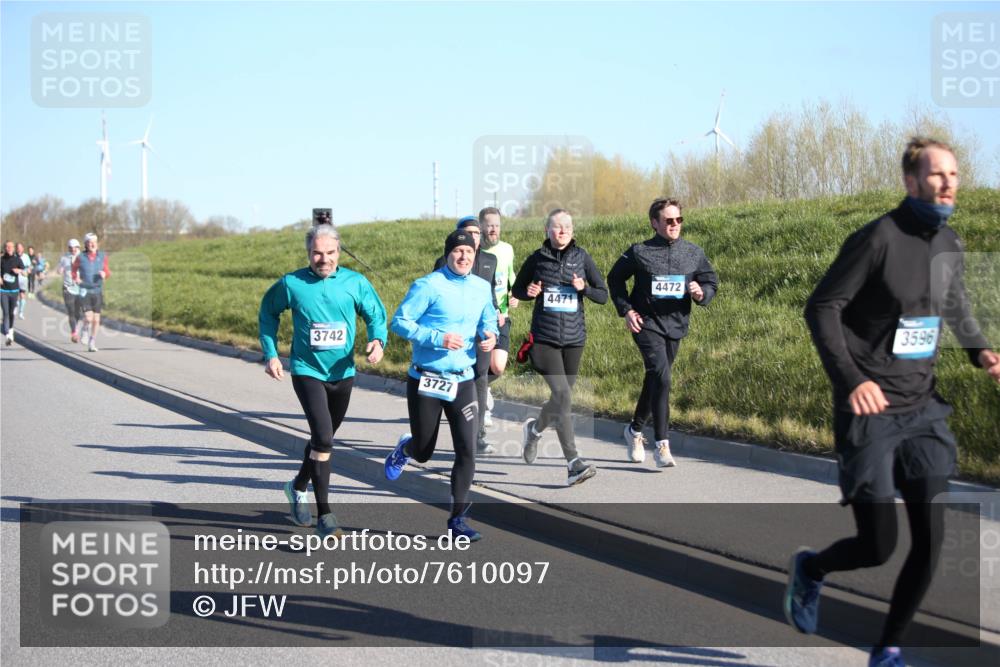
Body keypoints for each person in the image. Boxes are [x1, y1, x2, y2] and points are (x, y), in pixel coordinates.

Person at [784, 138, 1000, 667]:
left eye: (953, 173)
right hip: (870, 412)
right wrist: (851, 378)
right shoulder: (879, 238)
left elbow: (953, 304)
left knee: (931, 538)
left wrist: (982, 352)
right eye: (935, 174)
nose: (947, 182)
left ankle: (887, 651)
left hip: (922, 409)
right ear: (910, 181)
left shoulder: (948, 241)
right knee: (879, 545)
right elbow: (822, 308)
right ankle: (811, 570)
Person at [259, 223, 387, 538]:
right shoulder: (292, 283)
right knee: (324, 438)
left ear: (338, 253)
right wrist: (271, 353)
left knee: (322, 440)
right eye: (317, 253)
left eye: (329, 252)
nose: (323, 259)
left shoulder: (354, 283)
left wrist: (377, 340)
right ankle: (325, 516)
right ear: (309, 253)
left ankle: (297, 486)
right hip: (307, 370)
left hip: (342, 373)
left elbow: (375, 314)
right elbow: (268, 313)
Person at [385, 229, 498, 541]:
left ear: (475, 257)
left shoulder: (480, 286)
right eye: (458, 252)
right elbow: (400, 322)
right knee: (424, 451)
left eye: (469, 253)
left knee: (467, 449)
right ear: (448, 253)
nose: (463, 257)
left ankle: (457, 520)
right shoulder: (428, 285)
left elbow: (489, 319)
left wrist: (490, 336)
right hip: (427, 378)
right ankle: (406, 447)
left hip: (463, 380)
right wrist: (438, 338)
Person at [607, 197, 718, 468]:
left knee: (656, 379)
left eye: (679, 219)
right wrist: (626, 310)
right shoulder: (639, 251)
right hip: (646, 324)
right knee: (663, 377)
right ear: (654, 223)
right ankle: (662, 445)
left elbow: (710, 279)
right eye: (669, 220)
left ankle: (633, 431)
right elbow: (615, 278)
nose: (675, 225)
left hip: (676, 325)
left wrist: (702, 293)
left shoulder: (692, 252)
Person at [511, 209, 608, 486]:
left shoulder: (582, 258)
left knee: (561, 400)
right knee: (563, 395)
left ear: (573, 231)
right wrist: (527, 292)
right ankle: (573, 463)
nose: (562, 231)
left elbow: (602, 295)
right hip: (543, 339)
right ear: (547, 231)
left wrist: (584, 289)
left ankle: (535, 430)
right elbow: (517, 290)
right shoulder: (537, 259)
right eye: (556, 227)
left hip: (574, 340)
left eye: (566, 227)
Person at [433, 216, 500, 455]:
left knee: (480, 377)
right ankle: (433, 425)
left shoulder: (491, 261)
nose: (472, 237)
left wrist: (493, 325)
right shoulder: (444, 261)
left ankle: (478, 434)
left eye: (476, 233)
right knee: (452, 380)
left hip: (479, 333)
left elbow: (491, 297)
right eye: (467, 232)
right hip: (454, 337)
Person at [479, 207, 519, 428]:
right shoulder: (475, 251)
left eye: (497, 225)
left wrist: (515, 295)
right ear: (481, 226)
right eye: (489, 225)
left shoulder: (507, 249)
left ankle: (482, 387)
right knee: (482, 362)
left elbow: (511, 277)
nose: (494, 229)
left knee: (498, 367)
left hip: (502, 315)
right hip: (480, 318)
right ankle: (481, 406)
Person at [72, 233, 109, 352]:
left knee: (97, 319)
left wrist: (105, 274)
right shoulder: (80, 257)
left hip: (97, 290)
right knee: (88, 317)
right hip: (84, 290)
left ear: (97, 244)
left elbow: (107, 271)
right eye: (90, 242)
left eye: (94, 242)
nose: (92, 244)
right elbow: (73, 270)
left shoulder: (102, 256)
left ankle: (92, 341)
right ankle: (85, 329)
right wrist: (76, 278)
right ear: (86, 244)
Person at [57, 239, 84, 342]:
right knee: (71, 311)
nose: (73, 250)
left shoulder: (83, 258)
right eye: (70, 248)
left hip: (80, 288)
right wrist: (60, 270)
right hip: (68, 287)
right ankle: (74, 333)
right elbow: (59, 269)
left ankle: (75, 327)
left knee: (78, 312)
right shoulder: (64, 258)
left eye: (75, 247)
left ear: (78, 247)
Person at [1, 241, 26, 345]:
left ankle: (10, 330)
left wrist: (19, 271)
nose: (9, 248)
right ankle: (7, 335)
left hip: (14, 291)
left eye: (11, 247)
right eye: (7, 247)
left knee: (11, 313)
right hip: (3, 290)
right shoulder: (1, 259)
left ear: (13, 248)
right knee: (5, 312)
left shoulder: (17, 259)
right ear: (5, 248)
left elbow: (25, 272)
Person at [16, 242, 30, 319]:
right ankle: (15, 306)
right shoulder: (14, 256)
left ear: (23, 249)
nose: (19, 249)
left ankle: (21, 312)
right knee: (15, 295)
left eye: (20, 248)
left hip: (23, 279)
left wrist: (27, 271)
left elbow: (29, 267)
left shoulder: (26, 257)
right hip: (15, 279)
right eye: (18, 248)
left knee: (22, 295)